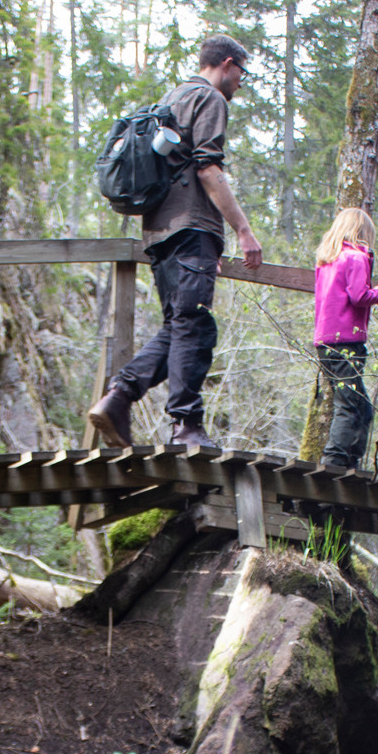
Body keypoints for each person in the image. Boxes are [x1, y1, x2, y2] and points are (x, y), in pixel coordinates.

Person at [88, 34, 263, 452]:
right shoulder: (210, 99)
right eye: (242, 72)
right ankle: (184, 426)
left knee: (187, 326)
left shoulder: (173, 97)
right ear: (227, 63)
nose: (241, 82)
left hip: (158, 232)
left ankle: (119, 398)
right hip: (191, 228)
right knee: (193, 325)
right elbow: (208, 169)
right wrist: (241, 229)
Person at [312, 208, 378, 470]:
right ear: (363, 233)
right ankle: (335, 461)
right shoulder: (356, 258)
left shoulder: (327, 261)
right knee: (349, 404)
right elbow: (359, 296)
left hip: (325, 340)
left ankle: (351, 460)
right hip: (347, 340)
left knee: (361, 406)